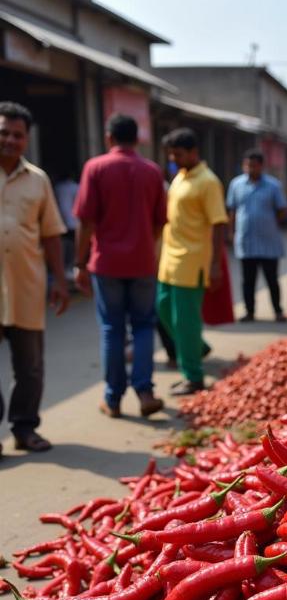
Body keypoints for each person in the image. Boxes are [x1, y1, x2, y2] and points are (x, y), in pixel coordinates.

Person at [73, 113, 167, 419]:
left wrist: (79, 262)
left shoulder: (96, 167)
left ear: (109, 137)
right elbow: (158, 224)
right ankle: (145, 391)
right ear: (137, 140)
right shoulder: (152, 172)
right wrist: (149, 253)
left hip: (107, 263)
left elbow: (86, 222)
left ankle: (113, 399)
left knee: (112, 329)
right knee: (143, 325)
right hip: (142, 262)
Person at [0, 101, 69, 454]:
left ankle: (25, 429)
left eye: (17, 135)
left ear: (27, 139)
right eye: (4, 133)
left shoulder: (38, 180)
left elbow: (52, 234)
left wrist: (60, 281)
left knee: (30, 368)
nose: (10, 140)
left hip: (26, 284)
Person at [157, 128, 227, 395]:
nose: (174, 158)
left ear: (194, 152)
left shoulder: (208, 181)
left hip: (192, 260)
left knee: (184, 320)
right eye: (172, 154)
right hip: (169, 259)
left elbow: (218, 223)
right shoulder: (179, 177)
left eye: (178, 153)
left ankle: (193, 376)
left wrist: (215, 264)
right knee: (163, 310)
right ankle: (197, 348)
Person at [226, 150, 287, 323]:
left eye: (254, 165)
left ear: (261, 166)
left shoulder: (273, 185)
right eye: (247, 165)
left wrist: (270, 222)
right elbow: (232, 210)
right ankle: (249, 311)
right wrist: (231, 232)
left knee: (272, 280)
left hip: (268, 241)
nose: (250, 169)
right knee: (248, 280)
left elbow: (282, 209)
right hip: (246, 241)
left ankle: (278, 311)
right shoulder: (236, 184)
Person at [54, 169, 79, 281]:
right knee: (72, 247)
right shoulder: (75, 187)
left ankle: (66, 268)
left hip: (61, 221)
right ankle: (70, 268)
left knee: (64, 247)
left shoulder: (58, 188)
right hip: (73, 222)